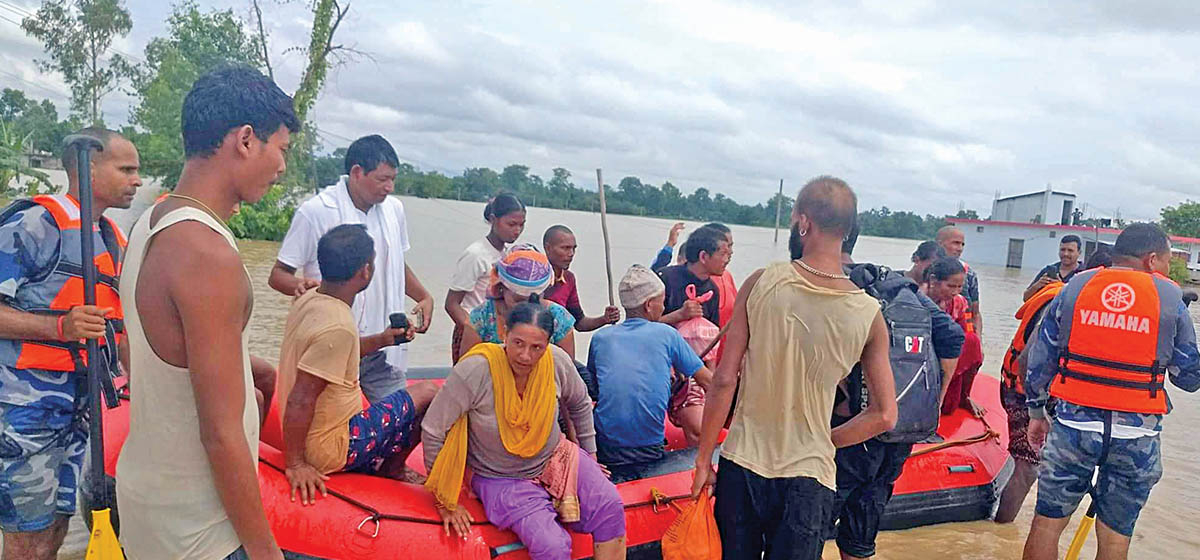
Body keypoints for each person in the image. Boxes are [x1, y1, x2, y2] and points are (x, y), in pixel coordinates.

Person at [116, 67, 299, 560]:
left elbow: (144, 350)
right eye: (281, 148)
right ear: (244, 140)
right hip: (197, 526)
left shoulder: (150, 223)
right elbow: (219, 434)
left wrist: (242, 363)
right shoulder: (206, 252)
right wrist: (265, 551)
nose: (282, 166)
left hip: (148, 498)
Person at [691, 176, 897, 560]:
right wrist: (823, 439)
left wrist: (703, 460)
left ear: (803, 221)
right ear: (850, 230)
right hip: (809, 477)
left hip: (743, 465)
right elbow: (884, 415)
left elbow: (723, 379)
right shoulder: (868, 312)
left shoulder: (762, 282)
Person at [0, 127, 139, 560]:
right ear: (88, 166)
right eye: (126, 169)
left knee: (57, 528)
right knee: (26, 539)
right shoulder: (33, 224)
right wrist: (59, 329)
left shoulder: (113, 237)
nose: (137, 180)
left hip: (80, 409)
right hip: (25, 411)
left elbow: (121, 327)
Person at [1022, 223, 1200, 560]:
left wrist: (1035, 413)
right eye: (1165, 260)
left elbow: (1040, 360)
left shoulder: (1075, 287)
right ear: (1151, 259)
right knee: (1116, 537)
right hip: (1136, 435)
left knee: (1046, 525)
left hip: (1073, 427)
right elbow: (1189, 378)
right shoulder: (1171, 298)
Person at [422, 302, 626, 560]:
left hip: (554, 457)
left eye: (536, 347)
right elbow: (432, 430)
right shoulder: (475, 370)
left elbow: (580, 403)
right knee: (552, 546)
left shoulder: (556, 361)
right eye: (518, 343)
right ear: (504, 333)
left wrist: (591, 457)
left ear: (548, 344)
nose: (525, 356)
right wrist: (444, 501)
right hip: (500, 475)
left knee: (610, 506)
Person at [278, 225, 440, 505]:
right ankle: (393, 468)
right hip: (331, 449)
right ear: (365, 271)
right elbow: (302, 398)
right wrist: (296, 464)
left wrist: (382, 340)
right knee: (429, 392)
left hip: (320, 434)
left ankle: (386, 465)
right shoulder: (337, 326)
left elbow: (334, 352)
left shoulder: (311, 296)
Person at [269, 134, 435, 402]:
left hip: (383, 344)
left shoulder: (394, 210)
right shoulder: (317, 211)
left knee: (406, 421)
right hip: (332, 344)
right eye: (382, 179)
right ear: (357, 172)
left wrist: (424, 296)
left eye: (393, 179)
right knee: (327, 421)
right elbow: (278, 275)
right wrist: (301, 286)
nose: (390, 187)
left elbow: (394, 262)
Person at [829, 230, 964, 560]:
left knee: (813, 520)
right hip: (901, 430)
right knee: (863, 528)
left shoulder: (838, 286)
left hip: (853, 428)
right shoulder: (902, 291)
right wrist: (932, 398)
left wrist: (846, 390)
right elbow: (954, 336)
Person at [995, 247, 1112, 524]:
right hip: (1025, 391)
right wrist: (1039, 409)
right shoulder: (1061, 300)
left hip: (1033, 390)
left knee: (1037, 465)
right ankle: (1001, 528)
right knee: (1028, 468)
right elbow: (1028, 359)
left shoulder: (1075, 298)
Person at [589, 265, 714, 477]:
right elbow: (709, 382)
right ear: (649, 305)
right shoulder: (667, 334)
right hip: (647, 449)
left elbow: (597, 389)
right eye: (662, 301)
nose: (664, 308)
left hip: (604, 446)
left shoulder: (600, 338)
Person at [446, 193, 526, 362]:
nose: (517, 230)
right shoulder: (476, 255)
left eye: (521, 225)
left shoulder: (506, 255)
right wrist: (474, 330)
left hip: (498, 332)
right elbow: (452, 304)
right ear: (493, 219)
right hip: (475, 330)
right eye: (511, 224)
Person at [459, 244, 577, 358]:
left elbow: (564, 371)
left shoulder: (560, 320)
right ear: (501, 288)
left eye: (533, 300)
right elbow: (468, 370)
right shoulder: (481, 318)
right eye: (518, 300)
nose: (526, 307)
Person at [923, 257, 985, 417]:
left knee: (973, 342)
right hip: (923, 354)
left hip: (949, 356)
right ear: (933, 281)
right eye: (950, 286)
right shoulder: (917, 299)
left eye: (959, 287)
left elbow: (966, 333)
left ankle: (965, 396)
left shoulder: (959, 302)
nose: (955, 291)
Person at [541, 225, 620, 332]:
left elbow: (579, 323)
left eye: (573, 248)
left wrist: (605, 319)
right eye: (565, 248)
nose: (571, 254)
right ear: (548, 248)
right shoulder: (534, 276)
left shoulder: (568, 279)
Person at [937, 225, 983, 335]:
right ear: (940, 244)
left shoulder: (968, 273)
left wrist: (977, 342)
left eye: (962, 244)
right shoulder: (928, 269)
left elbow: (975, 313)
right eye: (955, 243)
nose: (960, 248)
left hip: (961, 332)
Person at [1023, 235, 1083, 301]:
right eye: (1062, 250)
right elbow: (1025, 299)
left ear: (1079, 253)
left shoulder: (1085, 274)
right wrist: (1037, 285)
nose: (1065, 254)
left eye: (1070, 250)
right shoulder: (1048, 271)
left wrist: (1061, 286)